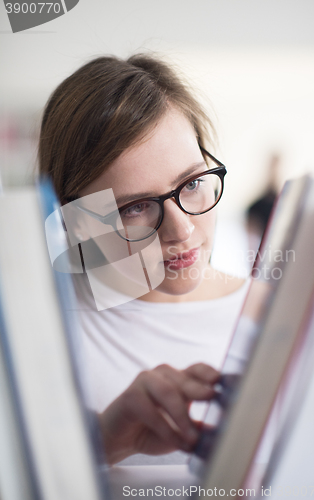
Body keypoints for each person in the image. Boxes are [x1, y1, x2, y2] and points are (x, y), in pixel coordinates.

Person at [38, 54, 249, 465]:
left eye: (191, 183)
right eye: (134, 208)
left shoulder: (292, 317)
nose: (182, 230)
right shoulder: (38, 332)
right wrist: (105, 443)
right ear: (75, 223)